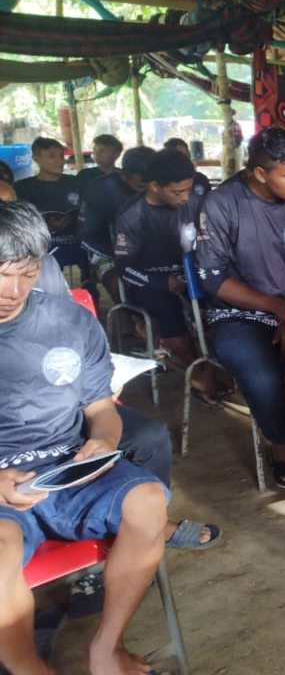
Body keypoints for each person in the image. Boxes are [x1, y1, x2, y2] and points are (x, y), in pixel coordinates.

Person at [0, 199, 172, 675]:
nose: (14, 291)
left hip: (65, 467)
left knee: (148, 500)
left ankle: (106, 649)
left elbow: (99, 407)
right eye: (2, 274)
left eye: (28, 273)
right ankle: (28, 667)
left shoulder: (69, 321)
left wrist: (104, 442)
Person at [195, 127, 285, 489]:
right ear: (260, 173)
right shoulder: (222, 203)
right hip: (236, 314)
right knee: (263, 376)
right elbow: (212, 279)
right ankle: (282, 445)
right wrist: (277, 308)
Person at [114, 149, 230, 406]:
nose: (185, 198)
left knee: (227, 310)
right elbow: (124, 268)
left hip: (194, 275)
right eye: (177, 192)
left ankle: (206, 371)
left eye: (188, 189)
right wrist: (161, 282)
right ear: (154, 185)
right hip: (149, 282)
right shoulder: (132, 215)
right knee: (169, 312)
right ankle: (200, 373)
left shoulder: (198, 202)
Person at [77, 146, 154, 307]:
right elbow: (87, 235)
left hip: (152, 251)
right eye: (141, 186)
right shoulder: (99, 189)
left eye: (152, 186)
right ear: (124, 175)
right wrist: (121, 255)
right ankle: (125, 315)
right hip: (107, 251)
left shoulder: (161, 186)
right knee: (116, 282)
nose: (148, 192)